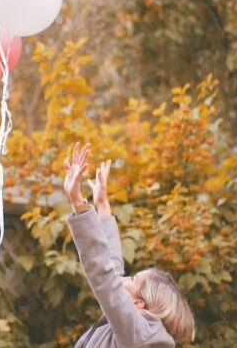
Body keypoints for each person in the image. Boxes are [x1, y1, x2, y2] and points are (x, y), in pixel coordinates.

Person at [64, 142, 196, 347]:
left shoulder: (138, 335)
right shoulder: (136, 332)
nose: (122, 279)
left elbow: (105, 274)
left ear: (137, 303)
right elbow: (110, 267)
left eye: (132, 280)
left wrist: (78, 202)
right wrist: (102, 205)